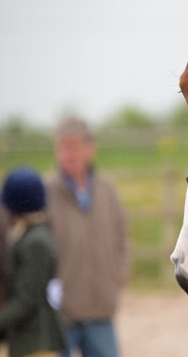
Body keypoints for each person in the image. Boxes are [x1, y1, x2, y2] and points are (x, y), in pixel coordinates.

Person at [45, 116, 128, 357]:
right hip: (60, 314)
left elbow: (122, 237)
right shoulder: (46, 191)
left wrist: (117, 276)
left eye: (74, 146)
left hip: (101, 309)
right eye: (62, 146)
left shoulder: (107, 190)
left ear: (91, 149)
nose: (67, 153)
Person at [0, 167, 66, 357]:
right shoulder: (27, 235)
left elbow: (26, 299)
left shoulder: (35, 242)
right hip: (26, 339)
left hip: (36, 341)